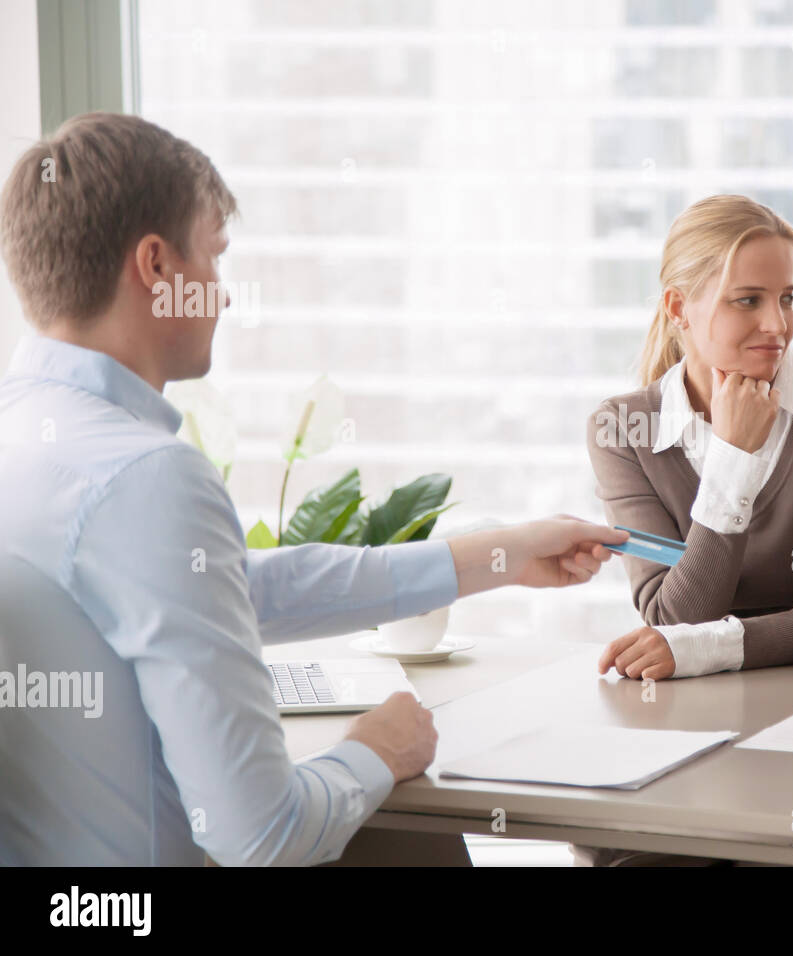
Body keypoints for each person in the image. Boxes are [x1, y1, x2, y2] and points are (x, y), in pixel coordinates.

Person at [0, 112, 628, 866]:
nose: (225, 297)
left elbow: (228, 588)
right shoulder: (143, 477)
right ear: (157, 268)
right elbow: (262, 838)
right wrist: (372, 748)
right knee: (402, 832)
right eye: (215, 258)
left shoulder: (32, 434)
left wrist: (495, 558)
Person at [588, 194, 793, 682]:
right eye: (748, 300)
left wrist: (707, 647)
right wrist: (734, 456)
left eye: (789, 298)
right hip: (685, 702)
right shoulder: (622, 430)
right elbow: (674, 618)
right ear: (679, 307)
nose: (777, 326)